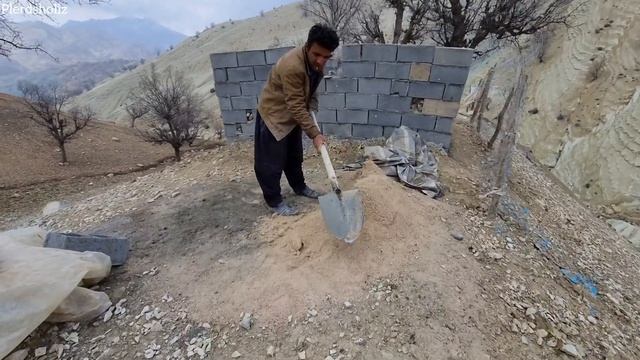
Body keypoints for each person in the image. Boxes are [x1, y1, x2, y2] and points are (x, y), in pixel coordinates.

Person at [254, 24, 339, 216]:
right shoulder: (292, 66)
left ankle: (299, 187)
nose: (321, 60)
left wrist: (311, 112)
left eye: (327, 57)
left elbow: (310, 92)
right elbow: (295, 104)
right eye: (317, 54)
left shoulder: (317, 63)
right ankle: (274, 200)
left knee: (294, 157)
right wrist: (315, 134)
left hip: (295, 116)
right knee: (270, 163)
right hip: (274, 116)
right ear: (308, 46)